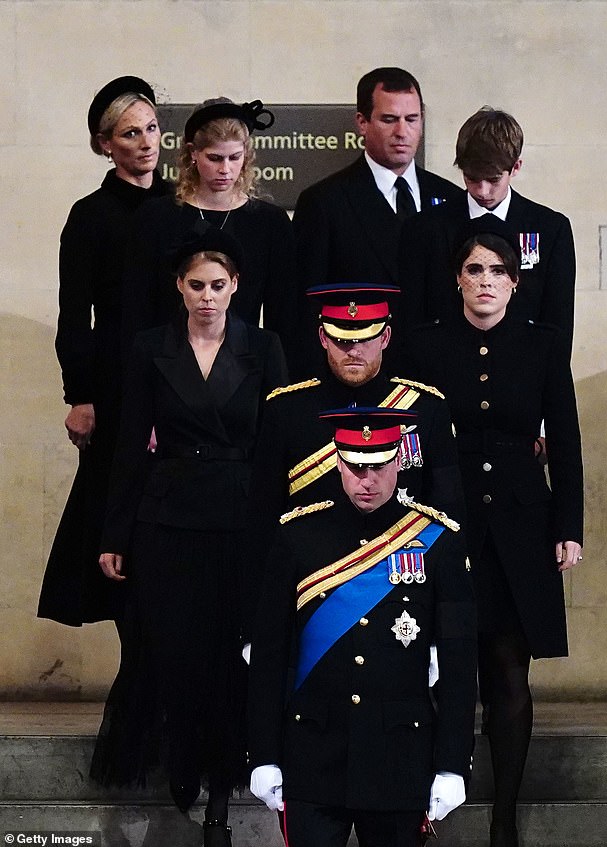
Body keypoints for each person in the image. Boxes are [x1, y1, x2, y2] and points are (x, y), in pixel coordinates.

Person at [89, 229, 287, 847]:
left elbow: (281, 443)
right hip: (167, 516)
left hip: (242, 515)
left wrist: (289, 525)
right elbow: (129, 443)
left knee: (232, 656)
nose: (207, 295)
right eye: (196, 284)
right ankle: (181, 766)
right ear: (179, 287)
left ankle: (223, 797)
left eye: (217, 285)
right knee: (173, 649)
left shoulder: (265, 347)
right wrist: (114, 532)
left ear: (235, 288)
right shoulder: (152, 348)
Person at [406, 217, 584, 847]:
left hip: (519, 521)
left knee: (509, 668)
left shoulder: (541, 345)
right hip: (444, 521)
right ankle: (423, 804)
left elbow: (564, 440)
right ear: (458, 278)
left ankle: (504, 818)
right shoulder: (422, 344)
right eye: (475, 269)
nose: (486, 281)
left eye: (499, 272)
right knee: (431, 664)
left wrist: (568, 526)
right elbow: (406, 439)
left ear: (515, 283)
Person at [248, 407, 478, 847]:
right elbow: (270, 656)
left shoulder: (437, 540)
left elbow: (458, 662)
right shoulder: (296, 535)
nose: (365, 480)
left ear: (398, 461)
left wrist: (452, 763)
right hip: (312, 755)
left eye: (377, 467)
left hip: (399, 759)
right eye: (354, 467)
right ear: (338, 462)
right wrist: (263, 754)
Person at [38, 75, 171, 627]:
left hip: (186, 375)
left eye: (153, 129)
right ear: (105, 144)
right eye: (130, 133)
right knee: (118, 514)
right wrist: (81, 395)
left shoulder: (184, 206)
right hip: (116, 384)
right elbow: (76, 316)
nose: (146, 142)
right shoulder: (90, 215)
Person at [244, 282, 464, 614]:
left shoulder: (426, 408)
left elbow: (446, 514)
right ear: (323, 338)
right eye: (342, 340)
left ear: (385, 338)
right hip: (313, 593)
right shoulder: (286, 410)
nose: (354, 350)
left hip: (399, 592)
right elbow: (262, 519)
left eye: (365, 338)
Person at [293, 67, 462, 371]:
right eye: (388, 119)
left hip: (438, 377)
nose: (402, 132)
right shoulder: (324, 202)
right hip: (358, 378)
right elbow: (304, 311)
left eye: (412, 119)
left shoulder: (450, 197)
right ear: (362, 122)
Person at [120, 97, 296, 361]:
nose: (225, 169)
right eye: (214, 158)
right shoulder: (156, 217)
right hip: (168, 367)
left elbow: (283, 317)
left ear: (246, 155)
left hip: (244, 370)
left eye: (234, 157)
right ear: (193, 154)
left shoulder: (270, 222)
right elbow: (136, 310)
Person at [399, 106, 576, 356]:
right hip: (443, 373)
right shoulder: (424, 229)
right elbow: (412, 322)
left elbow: (557, 326)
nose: (482, 191)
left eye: (493, 180)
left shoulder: (550, 228)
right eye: (471, 178)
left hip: (521, 375)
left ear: (515, 167)